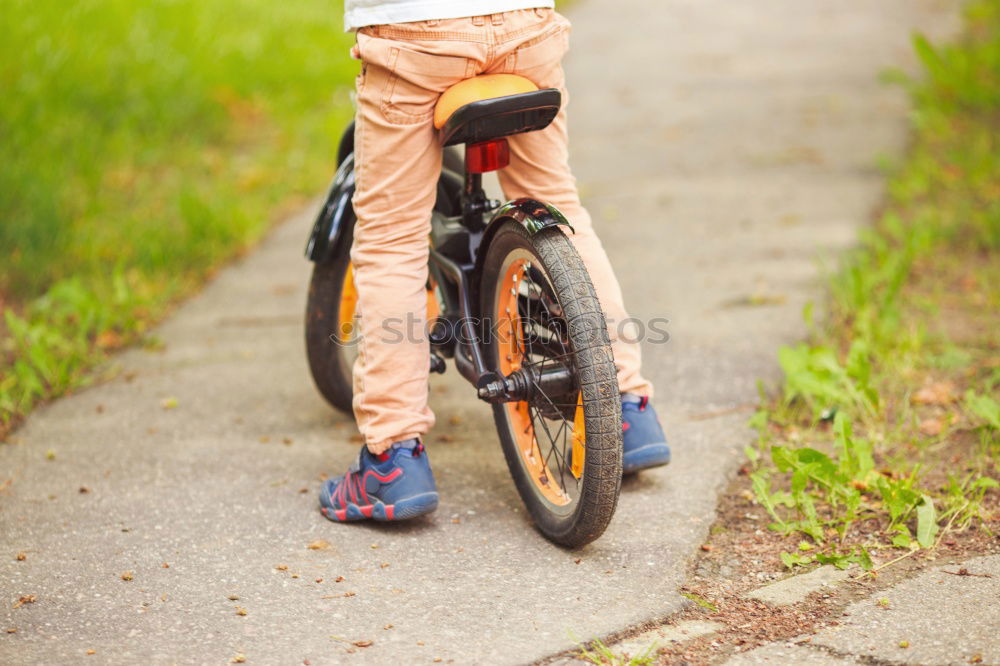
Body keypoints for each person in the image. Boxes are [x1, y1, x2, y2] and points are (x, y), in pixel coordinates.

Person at [319, 0, 670, 523]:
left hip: (415, 34)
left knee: (392, 239)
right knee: (557, 202)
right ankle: (625, 406)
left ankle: (390, 459)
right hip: (522, 23)